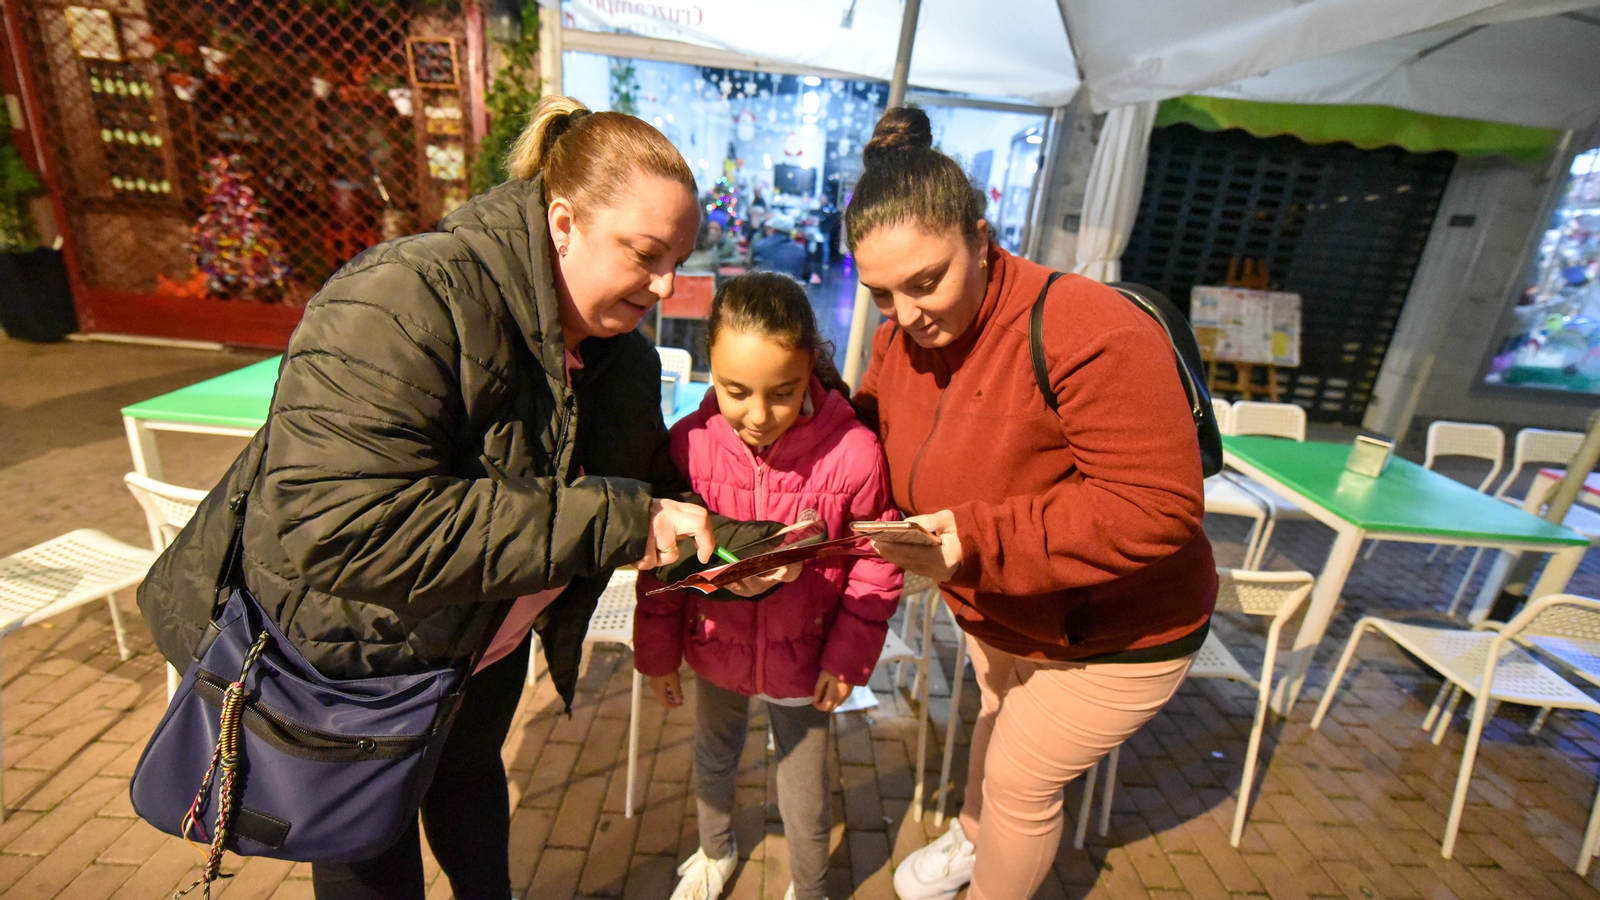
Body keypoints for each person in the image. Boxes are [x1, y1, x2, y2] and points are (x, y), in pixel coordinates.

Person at [140, 95, 788, 900]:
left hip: (483, 641)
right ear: (563, 222)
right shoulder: (400, 300)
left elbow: (646, 483)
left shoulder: (622, 356)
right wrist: (624, 520)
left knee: (469, 777)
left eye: (678, 262)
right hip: (360, 654)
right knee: (364, 842)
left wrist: (726, 545)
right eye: (645, 254)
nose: (663, 286)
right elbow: (339, 527)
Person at [847, 107, 1218, 900]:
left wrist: (973, 535)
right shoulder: (900, 337)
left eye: (926, 281)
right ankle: (975, 839)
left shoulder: (1086, 326)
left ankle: (994, 867)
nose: (908, 316)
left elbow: (1156, 505)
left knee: (1020, 776)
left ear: (982, 237)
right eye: (881, 295)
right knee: (996, 714)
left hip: (1116, 629)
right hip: (1000, 606)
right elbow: (869, 426)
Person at [634, 272, 904, 900]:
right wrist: (657, 653)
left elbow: (876, 560)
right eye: (735, 391)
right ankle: (713, 851)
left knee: (805, 786)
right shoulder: (690, 447)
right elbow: (664, 561)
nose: (758, 416)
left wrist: (846, 659)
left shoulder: (854, 454)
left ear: (811, 365)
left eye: (782, 393)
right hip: (715, 644)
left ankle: (809, 887)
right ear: (710, 368)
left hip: (805, 660)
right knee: (713, 758)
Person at [750, 214, 809, 280]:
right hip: (792, 288)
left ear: (773, 229)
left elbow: (752, 270)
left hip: (766, 287)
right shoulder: (801, 250)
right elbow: (807, 275)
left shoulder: (759, 246)